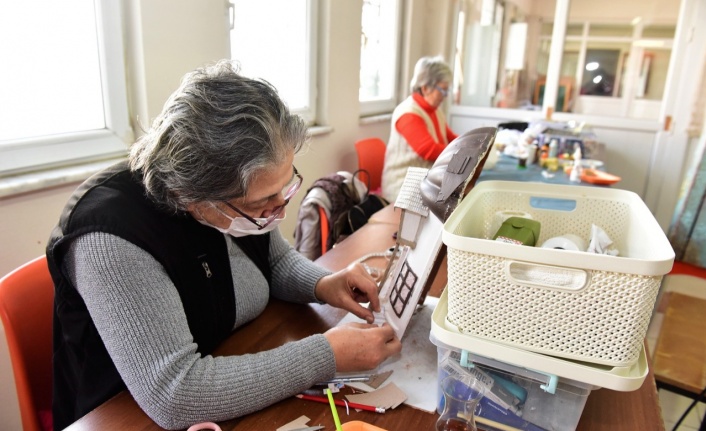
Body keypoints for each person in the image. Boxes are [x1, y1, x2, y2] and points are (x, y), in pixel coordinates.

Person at [46, 60, 402, 430]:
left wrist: (323, 283)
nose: (278, 209)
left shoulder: (231, 197)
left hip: (227, 358)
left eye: (284, 187)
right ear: (193, 196)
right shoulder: (110, 239)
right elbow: (176, 395)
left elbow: (274, 262)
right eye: (260, 203)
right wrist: (326, 354)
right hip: (121, 415)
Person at [381, 56, 458, 202]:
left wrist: (471, 144)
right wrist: (462, 152)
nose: (445, 96)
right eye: (442, 90)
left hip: (425, 182)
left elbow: (450, 137)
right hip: (403, 189)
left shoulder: (434, 110)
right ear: (425, 88)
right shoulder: (408, 113)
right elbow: (429, 150)